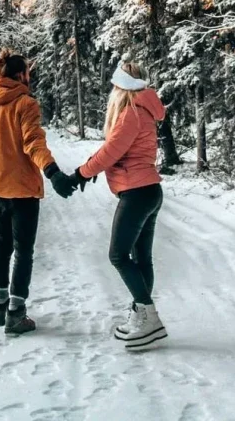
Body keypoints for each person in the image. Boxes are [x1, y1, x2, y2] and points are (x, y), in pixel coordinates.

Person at [0, 48, 77, 335]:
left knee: (2, 247)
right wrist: (52, 172)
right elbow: (33, 142)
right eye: (28, 72)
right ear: (20, 75)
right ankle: (16, 313)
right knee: (23, 251)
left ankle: (0, 307)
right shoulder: (26, 104)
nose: (30, 77)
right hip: (23, 193)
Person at [72, 60, 168, 351]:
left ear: (121, 88)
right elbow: (112, 151)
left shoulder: (131, 113)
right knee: (142, 259)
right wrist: (88, 170)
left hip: (137, 192)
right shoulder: (145, 112)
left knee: (117, 255)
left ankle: (148, 315)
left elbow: (110, 152)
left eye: (114, 86)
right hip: (150, 190)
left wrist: (78, 174)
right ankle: (142, 315)